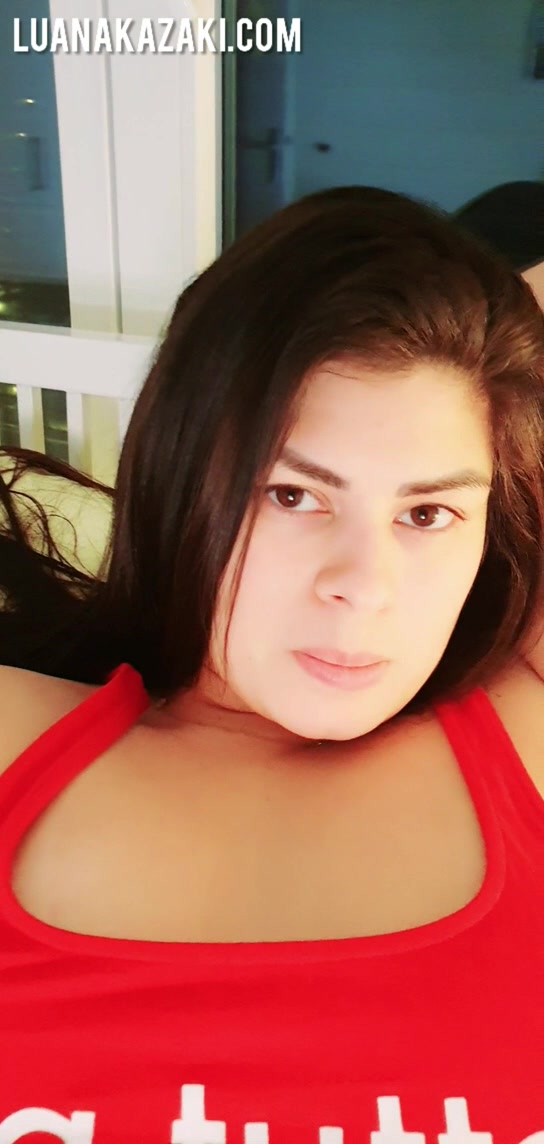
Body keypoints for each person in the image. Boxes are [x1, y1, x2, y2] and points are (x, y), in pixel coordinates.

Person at [0, 185, 543, 1142]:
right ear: (180, 475)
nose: (364, 586)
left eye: (427, 513)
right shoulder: (15, 739)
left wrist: (482, 323)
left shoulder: (525, 739)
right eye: (292, 495)